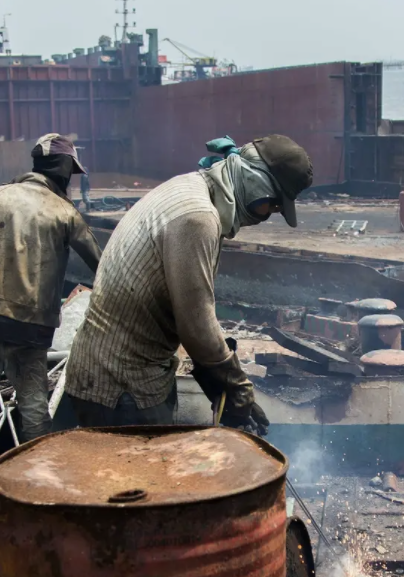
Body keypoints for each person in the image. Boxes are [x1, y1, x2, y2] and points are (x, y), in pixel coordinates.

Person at [64, 134, 312, 430]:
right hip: (122, 386)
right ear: (256, 183)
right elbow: (195, 326)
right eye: (272, 205)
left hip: (111, 373)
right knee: (148, 475)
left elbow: (187, 305)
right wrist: (237, 385)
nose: (268, 215)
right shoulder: (197, 218)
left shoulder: (191, 187)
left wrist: (216, 378)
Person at [0, 133, 102, 504]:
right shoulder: (65, 214)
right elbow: (101, 265)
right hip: (33, 329)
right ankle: (35, 490)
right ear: (64, 170)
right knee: (33, 406)